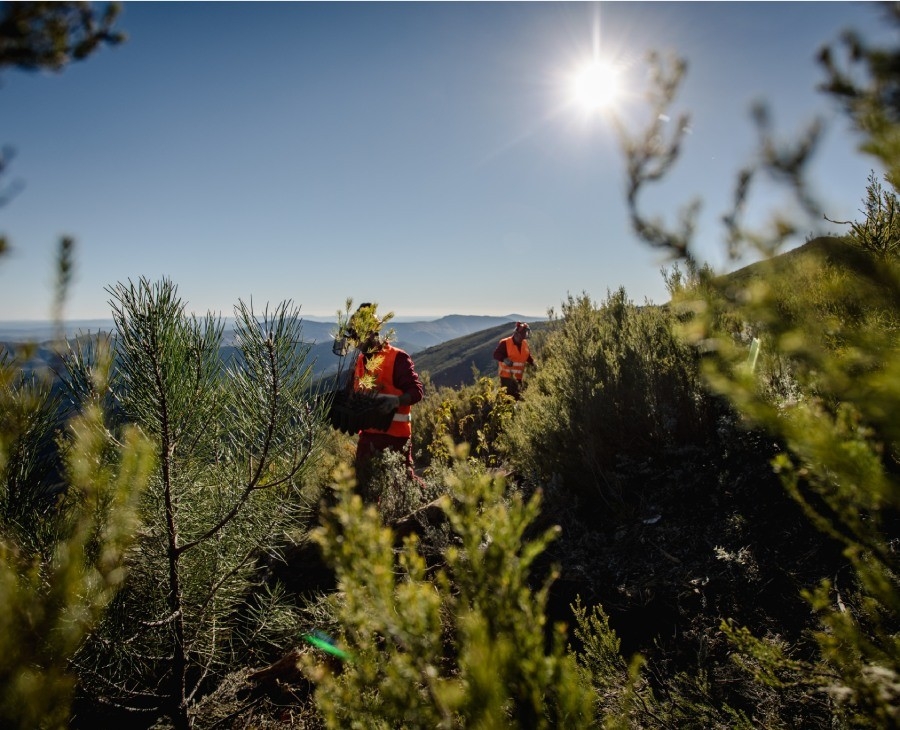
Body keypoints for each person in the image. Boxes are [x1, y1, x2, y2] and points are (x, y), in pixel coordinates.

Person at [342, 303, 424, 485]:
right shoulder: (360, 361)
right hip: (367, 437)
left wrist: (396, 401)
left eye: (357, 335)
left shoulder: (397, 358)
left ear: (371, 333)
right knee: (363, 487)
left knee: (402, 486)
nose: (355, 342)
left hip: (396, 439)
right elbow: (352, 392)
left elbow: (417, 392)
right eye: (353, 336)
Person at [493, 321, 534, 400]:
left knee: (518, 399)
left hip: (519, 378)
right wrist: (504, 359)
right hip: (507, 379)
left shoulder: (524, 343)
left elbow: (527, 355)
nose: (525, 336)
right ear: (517, 334)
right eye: (524, 334)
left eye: (526, 334)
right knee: (508, 401)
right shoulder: (505, 343)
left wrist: (533, 363)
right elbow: (496, 354)